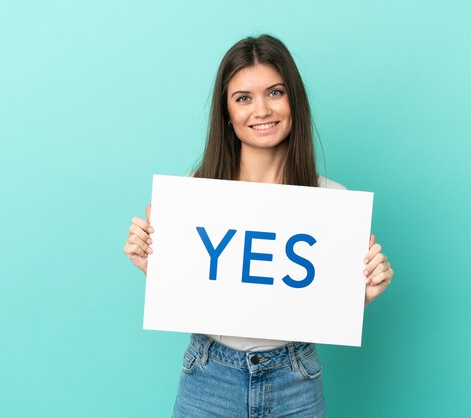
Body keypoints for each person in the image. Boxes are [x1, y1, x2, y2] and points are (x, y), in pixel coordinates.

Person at [123, 34, 393, 417]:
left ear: (293, 100)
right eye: (243, 98)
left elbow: (320, 302)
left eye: (275, 92)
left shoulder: (333, 201)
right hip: (209, 376)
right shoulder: (196, 191)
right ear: (227, 113)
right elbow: (201, 288)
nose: (261, 110)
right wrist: (156, 264)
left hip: (294, 379)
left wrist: (358, 295)